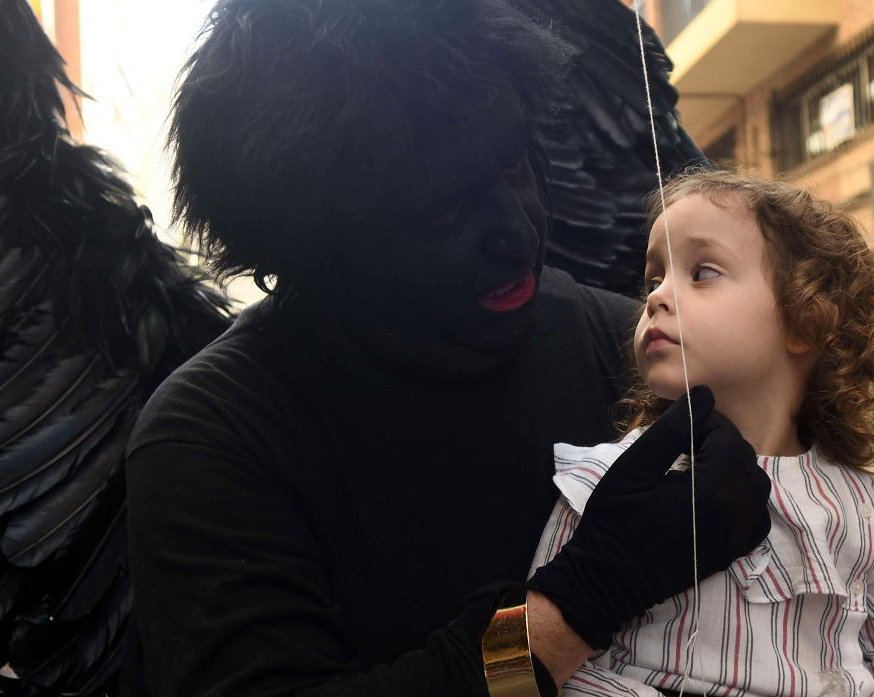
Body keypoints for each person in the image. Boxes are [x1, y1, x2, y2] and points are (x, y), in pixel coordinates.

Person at [123, 2, 772, 696]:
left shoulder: (622, 343)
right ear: (309, 244)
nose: (518, 233)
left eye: (515, 163)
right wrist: (581, 601)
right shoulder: (213, 436)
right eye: (442, 209)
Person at [529, 170, 874, 697]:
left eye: (702, 272)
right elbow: (551, 668)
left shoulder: (864, 504)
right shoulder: (602, 481)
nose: (657, 296)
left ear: (807, 319)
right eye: (653, 278)